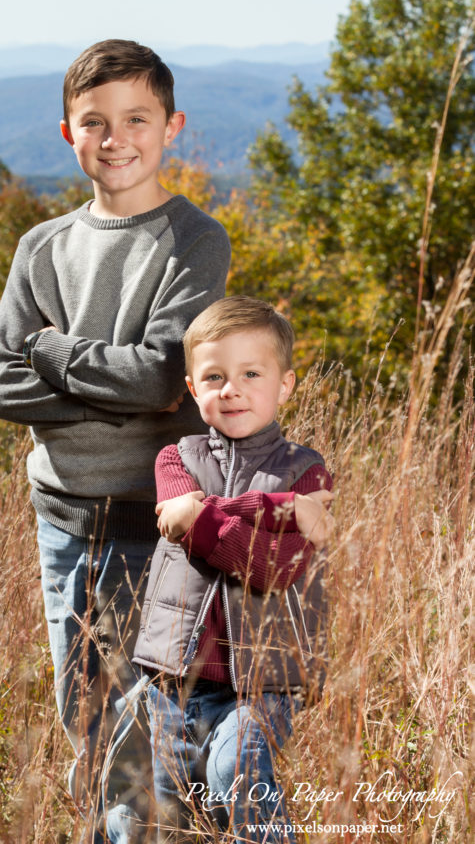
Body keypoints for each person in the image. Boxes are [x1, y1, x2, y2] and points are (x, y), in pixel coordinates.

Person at [0, 39, 232, 843]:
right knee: (82, 710)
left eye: (136, 119)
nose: (115, 137)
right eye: (94, 122)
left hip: (147, 524)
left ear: (171, 127)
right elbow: (2, 390)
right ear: (68, 133)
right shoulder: (42, 249)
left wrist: (54, 353)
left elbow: (161, 379)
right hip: (60, 521)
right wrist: (115, 391)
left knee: (142, 728)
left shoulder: (193, 241)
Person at [133, 296, 334, 843]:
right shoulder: (175, 458)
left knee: (235, 777)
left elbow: (276, 568)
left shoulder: (307, 470)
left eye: (251, 373)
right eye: (215, 376)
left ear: (285, 384)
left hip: (265, 683)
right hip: (175, 678)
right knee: (176, 811)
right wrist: (281, 510)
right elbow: (178, 519)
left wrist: (206, 512)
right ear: (194, 389)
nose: (233, 388)